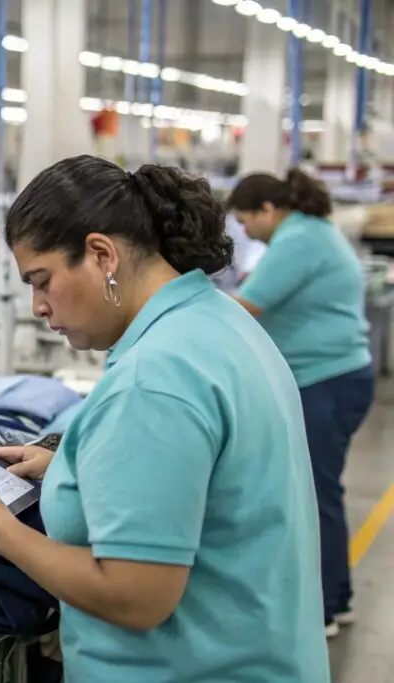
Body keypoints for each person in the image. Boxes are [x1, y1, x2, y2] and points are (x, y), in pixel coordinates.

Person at [0, 156, 329, 682]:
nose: (37, 306)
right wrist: (77, 468)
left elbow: (137, 596)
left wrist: (1, 534)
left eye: (42, 280)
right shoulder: (216, 319)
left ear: (102, 255)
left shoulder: (154, 378)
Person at [228, 168, 375, 638]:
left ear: (269, 210)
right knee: (320, 491)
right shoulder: (310, 233)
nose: (245, 231)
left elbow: (246, 306)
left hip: (326, 381)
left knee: (317, 496)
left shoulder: (299, 240)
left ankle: (326, 607)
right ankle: (339, 598)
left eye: (246, 220)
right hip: (337, 377)